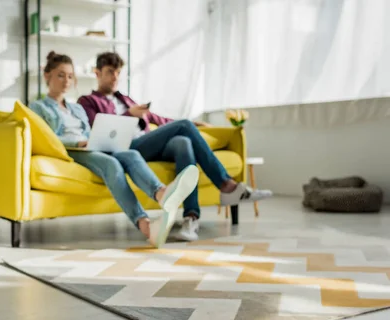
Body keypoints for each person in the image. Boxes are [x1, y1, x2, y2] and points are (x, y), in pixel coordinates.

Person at [78, 52, 273, 241]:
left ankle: (191, 219)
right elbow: (98, 130)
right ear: (97, 73)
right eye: (110, 72)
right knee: (184, 126)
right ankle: (226, 185)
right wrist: (130, 114)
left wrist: (196, 126)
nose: (115, 77)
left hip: (148, 143)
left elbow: (159, 120)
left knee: (184, 142)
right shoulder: (87, 102)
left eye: (118, 73)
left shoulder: (126, 99)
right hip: (128, 148)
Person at [29, 51, 199, 248]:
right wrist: (78, 143)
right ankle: (145, 225)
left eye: (69, 76)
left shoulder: (76, 108)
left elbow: (89, 130)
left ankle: (162, 193)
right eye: (61, 75)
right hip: (70, 150)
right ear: (47, 76)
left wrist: (94, 139)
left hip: (90, 145)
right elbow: (46, 137)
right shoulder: (38, 107)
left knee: (131, 153)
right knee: (112, 164)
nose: (66, 80)